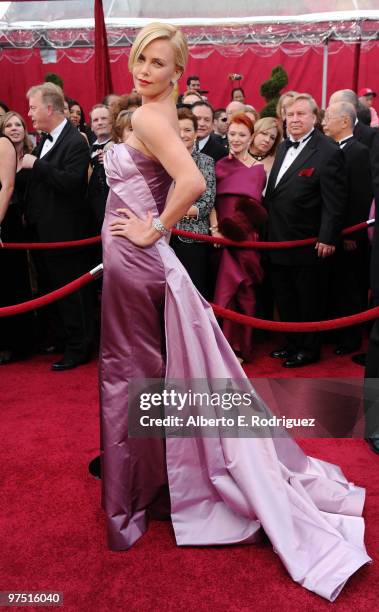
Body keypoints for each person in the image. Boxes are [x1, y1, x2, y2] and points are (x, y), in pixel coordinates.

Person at [99, 22, 370, 602]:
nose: (144, 69)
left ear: (178, 70)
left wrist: (154, 229)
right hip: (138, 260)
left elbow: (193, 181)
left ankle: (135, 493)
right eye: (140, 57)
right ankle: (157, 478)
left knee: (129, 375)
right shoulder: (158, 109)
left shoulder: (148, 116)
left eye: (158, 62)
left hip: (134, 258)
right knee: (153, 373)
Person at [265, 93, 347, 367]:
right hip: (276, 239)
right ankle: (291, 343)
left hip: (308, 243)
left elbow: (334, 200)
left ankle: (309, 349)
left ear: (315, 117)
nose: (295, 119)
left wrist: (328, 236)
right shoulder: (282, 148)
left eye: (301, 114)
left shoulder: (328, 151)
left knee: (308, 300)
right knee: (285, 297)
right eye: (290, 114)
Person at [23, 82, 93, 371]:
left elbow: (72, 183)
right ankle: (66, 339)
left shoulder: (75, 141)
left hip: (68, 235)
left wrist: (36, 166)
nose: (29, 113)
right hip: (46, 233)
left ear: (49, 108)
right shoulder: (46, 139)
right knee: (57, 290)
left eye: (33, 107)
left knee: (73, 293)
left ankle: (80, 347)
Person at [212, 113, 268, 362]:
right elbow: (210, 200)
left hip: (246, 240)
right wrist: (215, 229)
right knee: (223, 293)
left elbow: (259, 209)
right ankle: (221, 347)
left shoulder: (258, 170)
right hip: (221, 239)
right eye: (232, 134)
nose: (235, 139)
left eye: (241, 135)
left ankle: (240, 348)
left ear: (251, 138)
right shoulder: (219, 166)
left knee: (244, 291)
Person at [322, 101, 372, 355]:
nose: (324, 121)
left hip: (349, 234)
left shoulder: (359, 151)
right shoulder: (330, 149)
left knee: (350, 287)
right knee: (335, 285)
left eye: (329, 117)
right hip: (332, 232)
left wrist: (353, 233)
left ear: (344, 121)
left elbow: (360, 196)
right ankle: (336, 333)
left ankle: (351, 339)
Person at [170, 107, 216, 297]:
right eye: (178, 129)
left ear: (196, 133)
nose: (183, 134)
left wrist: (175, 210)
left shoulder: (206, 162)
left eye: (188, 130)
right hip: (165, 236)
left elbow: (207, 201)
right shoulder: (163, 160)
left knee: (193, 291)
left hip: (193, 237)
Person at [0, 112, 34, 364]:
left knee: (9, 282)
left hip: (6, 220)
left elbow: (7, 186)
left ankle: (14, 343)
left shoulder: (2, 144)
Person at [87, 104, 112, 234]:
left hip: (114, 210)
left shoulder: (120, 145)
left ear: (112, 121)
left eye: (104, 118)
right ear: (91, 126)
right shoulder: (87, 149)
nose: (100, 123)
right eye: (96, 120)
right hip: (92, 213)